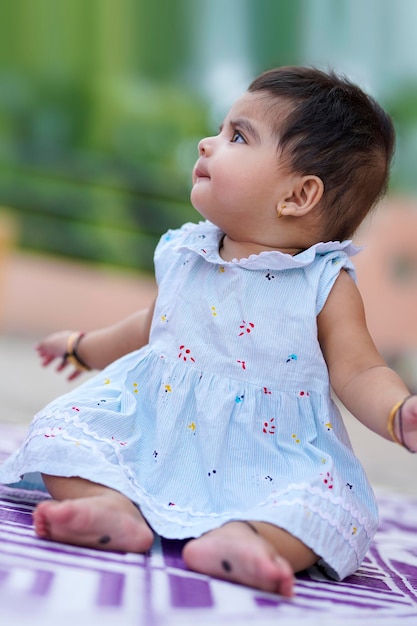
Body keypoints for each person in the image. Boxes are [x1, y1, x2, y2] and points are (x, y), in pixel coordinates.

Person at [1, 66, 416, 598]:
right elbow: (150, 327)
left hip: (270, 453)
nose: (207, 143)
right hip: (156, 429)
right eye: (221, 130)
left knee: (328, 509)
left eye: (237, 136)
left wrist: (396, 412)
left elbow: (360, 368)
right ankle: (110, 506)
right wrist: (84, 347)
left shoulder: (322, 282)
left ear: (299, 195)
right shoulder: (187, 252)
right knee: (61, 434)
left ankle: (249, 538)